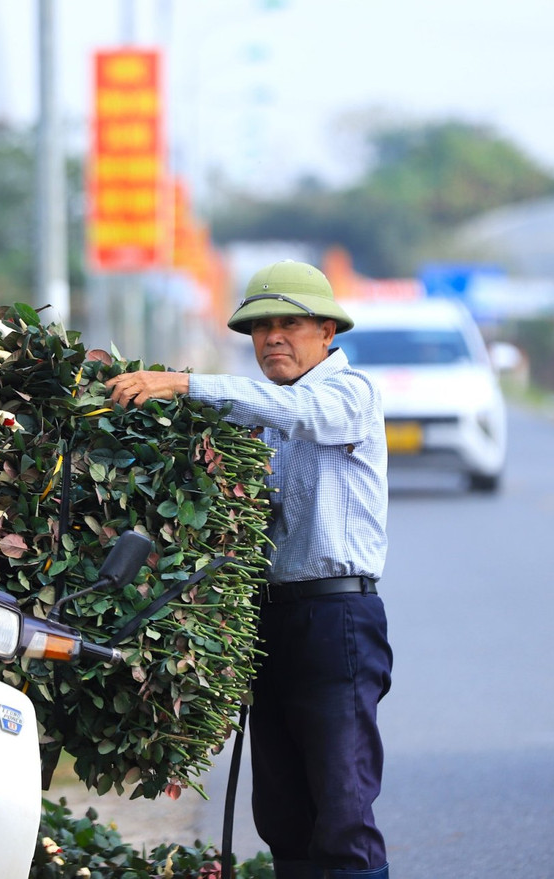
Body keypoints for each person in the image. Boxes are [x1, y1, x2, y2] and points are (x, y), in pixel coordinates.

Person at [106, 260, 392, 879]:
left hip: (337, 619)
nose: (272, 339)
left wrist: (180, 382)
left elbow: (300, 414)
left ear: (326, 331)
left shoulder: (350, 396)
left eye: (289, 324)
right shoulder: (260, 417)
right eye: (261, 328)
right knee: (282, 816)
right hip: (270, 620)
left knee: (342, 813)